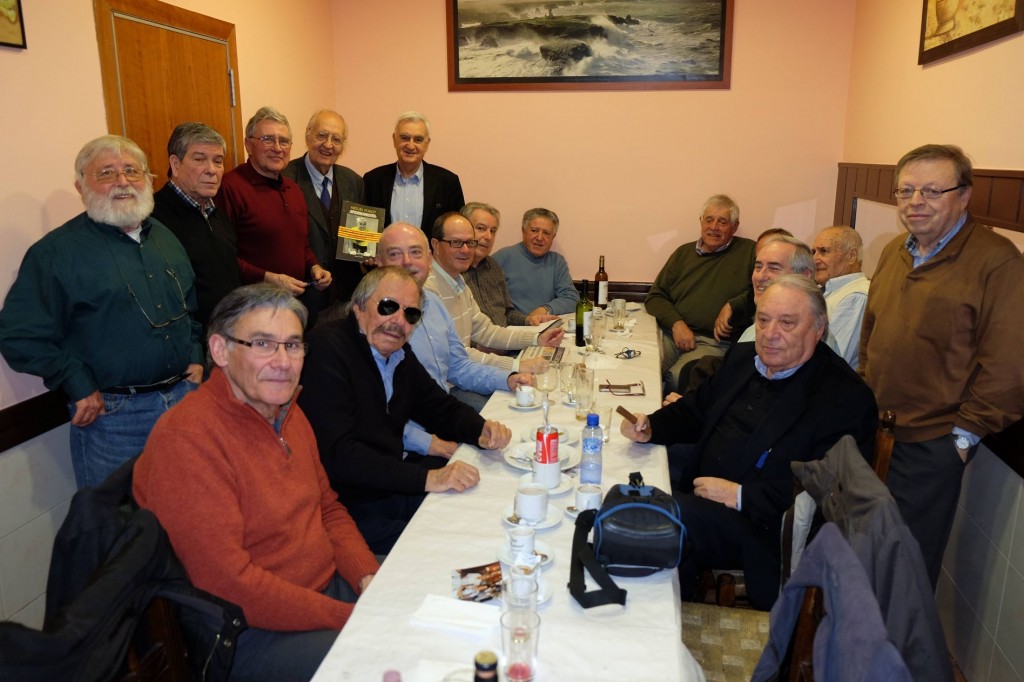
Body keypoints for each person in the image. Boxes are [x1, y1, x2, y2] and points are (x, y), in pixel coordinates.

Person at [133, 284, 379, 681]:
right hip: (251, 633)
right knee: (394, 660)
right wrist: (351, 617)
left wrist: (368, 578)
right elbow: (228, 584)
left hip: (325, 588)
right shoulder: (188, 438)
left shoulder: (286, 411)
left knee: (429, 592)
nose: (283, 361)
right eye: (263, 344)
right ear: (219, 351)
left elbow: (327, 509)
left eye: (294, 345)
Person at [621, 276, 878, 610]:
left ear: (819, 328)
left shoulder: (844, 397)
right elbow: (697, 409)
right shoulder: (743, 359)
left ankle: (651, 624)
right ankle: (667, 606)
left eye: (787, 323)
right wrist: (651, 426)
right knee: (628, 478)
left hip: (762, 526)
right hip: (703, 492)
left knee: (659, 517)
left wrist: (740, 495)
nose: (770, 334)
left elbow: (831, 490)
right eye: (763, 320)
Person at [860, 144, 1024, 589]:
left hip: (932, 444)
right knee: (867, 553)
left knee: (907, 569)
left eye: (932, 191)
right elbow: (871, 331)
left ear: (964, 195)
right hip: (876, 431)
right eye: (906, 190)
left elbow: (1009, 365)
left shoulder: (997, 261)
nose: (916, 202)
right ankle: (855, 648)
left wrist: (963, 437)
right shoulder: (897, 249)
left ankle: (895, 658)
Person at [0, 135, 204, 489]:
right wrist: (75, 381)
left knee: (185, 513)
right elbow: (18, 334)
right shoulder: (55, 254)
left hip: (184, 405)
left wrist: (196, 353)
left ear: (148, 179)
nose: (122, 181)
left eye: (131, 171)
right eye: (106, 172)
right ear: (80, 186)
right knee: (116, 532)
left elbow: (190, 308)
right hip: (116, 419)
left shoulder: (166, 239)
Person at [299, 266, 512, 554]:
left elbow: (438, 407)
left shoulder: (396, 354)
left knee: (483, 496)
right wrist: (427, 479)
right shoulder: (326, 350)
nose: (398, 321)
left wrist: (480, 429)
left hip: (387, 483)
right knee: (455, 539)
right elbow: (340, 454)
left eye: (410, 314)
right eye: (388, 307)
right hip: (347, 504)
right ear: (359, 307)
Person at [376, 222, 534, 452]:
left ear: (429, 259)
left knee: (518, 439)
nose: (407, 262)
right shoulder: (372, 317)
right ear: (379, 262)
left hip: (442, 417)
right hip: (401, 446)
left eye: (415, 252)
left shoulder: (434, 304)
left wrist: (507, 378)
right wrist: (432, 444)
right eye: (394, 254)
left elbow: (459, 366)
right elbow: (377, 409)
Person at [217, 106, 332, 325]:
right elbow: (223, 259)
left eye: (284, 141)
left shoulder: (294, 189)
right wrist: (268, 278)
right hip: (252, 311)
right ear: (249, 144)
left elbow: (302, 245)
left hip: (295, 307)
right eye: (268, 139)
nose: (277, 148)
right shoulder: (230, 188)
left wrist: (315, 267)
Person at [425, 213, 564, 374]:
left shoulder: (459, 283)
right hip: (449, 384)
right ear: (435, 245)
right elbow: (456, 354)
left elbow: (486, 331)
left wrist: (536, 339)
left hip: (471, 371)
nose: (465, 249)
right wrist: (516, 366)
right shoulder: (428, 290)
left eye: (470, 243)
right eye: (456, 243)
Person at [645, 195, 756, 393]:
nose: (714, 227)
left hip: (712, 343)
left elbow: (764, 291)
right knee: (642, 369)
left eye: (723, 222)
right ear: (701, 221)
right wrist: (676, 324)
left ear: (735, 226)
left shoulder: (750, 252)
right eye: (709, 219)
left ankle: (665, 423)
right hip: (671, 335)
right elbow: (655, 296)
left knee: (679, 378)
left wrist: (733, 304)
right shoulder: (683, 253)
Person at [151, 122, 240, 339]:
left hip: (228, 334)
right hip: (188, 346)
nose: (212, 170)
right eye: (199, 159)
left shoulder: (216, 214)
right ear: (175, 164)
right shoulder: (154, 219)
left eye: (218, 161)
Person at [282, 110, 366, 314]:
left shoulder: (354, 181)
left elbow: (360, 242)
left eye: (336, 139)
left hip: (347, 297)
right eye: (322, 136)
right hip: (303, 299)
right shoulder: (285, 180)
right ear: (307, 136)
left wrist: (367, 254)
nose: (328, 145)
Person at [461, 202, 559, 327]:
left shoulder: (493, 266)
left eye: (493, 231)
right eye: (481, 228)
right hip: (475, 345)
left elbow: (506, 313)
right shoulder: (452, 270)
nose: (488, 236)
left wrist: (528, 320)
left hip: (503, 340)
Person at [363, 111, 464, 231]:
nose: (410, 146)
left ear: (427, 144)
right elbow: (363, 228)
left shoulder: (448, 183)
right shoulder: (372, 181)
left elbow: (459, 232)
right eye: (404, 138)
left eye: (418, 139)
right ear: (394, 140)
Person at [492, 207, 580, 317]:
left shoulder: (557, 262)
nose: (539, 237)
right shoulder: (502, 257)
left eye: (546, 233)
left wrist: (545, 309)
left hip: (546, 326)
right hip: (512, 328)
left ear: (553, 237)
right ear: (524, 231)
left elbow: (571, 298)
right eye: (534, 231)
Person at [811, 226, 870, 368]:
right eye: (813, 252)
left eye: (824, 251)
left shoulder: (856, 296)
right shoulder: (823, 291)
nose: (815, 259)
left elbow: (833, 361)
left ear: (851, 256)